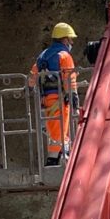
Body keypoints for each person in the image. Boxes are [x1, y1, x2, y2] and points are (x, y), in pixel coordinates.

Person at [29, 22, 80, 165]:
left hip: (46, 101)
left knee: (54, 130)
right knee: (61, 129)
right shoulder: (64, 55)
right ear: (64, 39)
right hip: (59, 99)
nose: (71, 42)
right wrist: (73, 95)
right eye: (70, 39)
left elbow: (32, 77)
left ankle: (56, 157)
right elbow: (69, 78)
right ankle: (57, 159)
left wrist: (30, 88)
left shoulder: (43, 55)